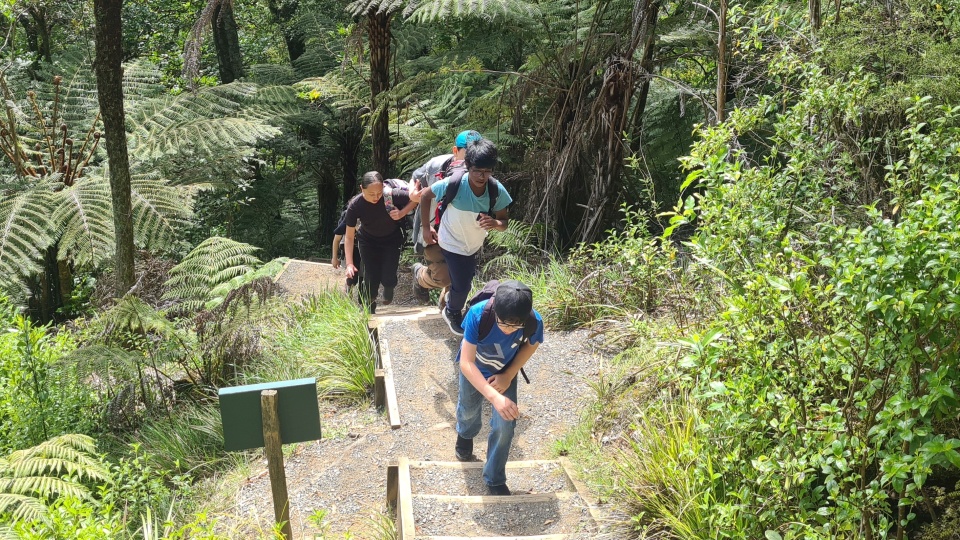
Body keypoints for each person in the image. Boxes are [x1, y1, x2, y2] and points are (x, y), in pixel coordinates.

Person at [454, 280, 543, 496]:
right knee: (468, 409)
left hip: (504, 373)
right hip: (475, 369)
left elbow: (532, 345)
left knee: (505, 425)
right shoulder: (478, 314)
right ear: (495, 311)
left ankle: (494, 477)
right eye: (504, 324)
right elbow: (466, 362)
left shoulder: (533, 321)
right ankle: (465, 436)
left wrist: (508, 375)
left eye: (515, 326)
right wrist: (494, 396)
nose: (508, 330)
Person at [418, 138, 512, 335]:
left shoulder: (496, 190)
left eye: (487, 171)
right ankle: (452, 311)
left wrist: (495, 223)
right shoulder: (455, 183)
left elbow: (504, 222)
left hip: (472, 245)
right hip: (450, 240)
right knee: (462, 283)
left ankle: (446, 298)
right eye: (477, 170)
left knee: (461, 278)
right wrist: (426, 228)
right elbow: (426, 195)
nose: (482, 176)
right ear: (468, 166)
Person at [410, 130, 483, 305]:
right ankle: (419, 275)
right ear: (455, 151)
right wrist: (412, 193)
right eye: (468, 152)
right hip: (434, 228)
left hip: (463, 230)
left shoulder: (481, 172)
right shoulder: (437, 165)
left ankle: (449, 310)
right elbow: (416, 177)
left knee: (459, 275)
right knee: (443, 278)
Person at [344, 171, 420, 313]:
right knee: (371, 274)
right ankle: (369, 306)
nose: (376, 197)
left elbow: (416, 198)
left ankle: (389, 286)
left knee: (388, 274)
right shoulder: (355, 206)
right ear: (362, 188)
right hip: (368, 241)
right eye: (371, 194)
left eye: (379, 193)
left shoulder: (391, 195)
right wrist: (349, 264)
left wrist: (402, 212)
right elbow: (348, 237)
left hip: (392, 239)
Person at [331, 209, 363, 297]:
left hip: (365, 249)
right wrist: (334, 258)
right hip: (350, 249)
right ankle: (349, 288)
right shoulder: (346, 219)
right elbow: (336, 239)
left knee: (364, 277)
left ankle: (364, 300)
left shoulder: (368, 217)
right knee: (353, 277)